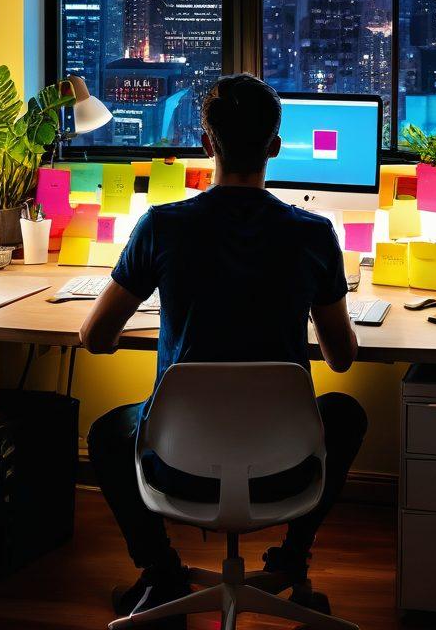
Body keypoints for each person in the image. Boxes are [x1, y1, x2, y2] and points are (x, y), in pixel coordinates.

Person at [81, 74, 367, 625]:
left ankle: (162, 572)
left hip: (179, 466)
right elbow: (341, 358)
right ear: (275, 147)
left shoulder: (162, 226)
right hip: (286, 468)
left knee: (105, 434)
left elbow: (94, 338)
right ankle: (290, 561)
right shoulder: (314, 236)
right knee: (346, 415)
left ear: (207, 145)